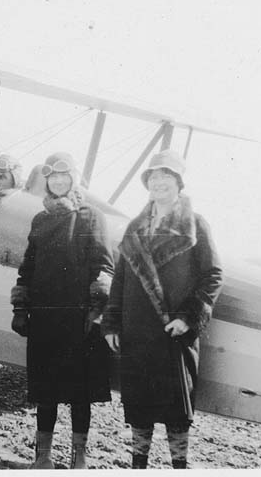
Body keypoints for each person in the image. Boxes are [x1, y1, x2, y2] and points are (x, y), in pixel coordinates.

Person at [101, 149, 223, 469]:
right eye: (154, 178)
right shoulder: (135, 228)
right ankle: (138, 468)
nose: (159, 183)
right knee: (139, 408)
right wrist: (112, 323)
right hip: (137, 331)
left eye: (166, 178)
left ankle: (178, 469)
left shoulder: (195, 225)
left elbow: (213, 276)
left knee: (176, 413)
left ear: (179, 184)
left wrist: (189, 318)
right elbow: (120, 279)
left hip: (175, 333)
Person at [10, 152, 114, 469]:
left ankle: (78, 460)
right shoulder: (40, 220)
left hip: (80, 321)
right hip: (45, 319)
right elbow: (28, 267)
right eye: (52, 176)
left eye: (63, 175)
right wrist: (20, 307)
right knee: (47, 391)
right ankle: (43, 459)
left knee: (79, 394)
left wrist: (95, 314)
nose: (57, 181)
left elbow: (103, 268)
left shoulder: (90, 217)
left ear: (74, 179)